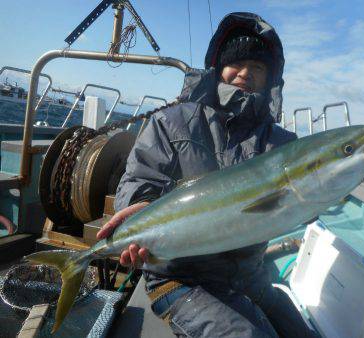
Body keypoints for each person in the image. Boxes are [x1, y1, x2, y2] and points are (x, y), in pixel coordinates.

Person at [97, 12, 316, 338]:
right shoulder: (173, 122)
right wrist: (140, 208)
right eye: (237, 63)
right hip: (178, 275)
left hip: (249, 275)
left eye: (257, 68)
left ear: (271, 79)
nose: (245, 73)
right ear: (218, 67)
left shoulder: (282, 144)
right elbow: (140, 179)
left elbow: (301, 198)